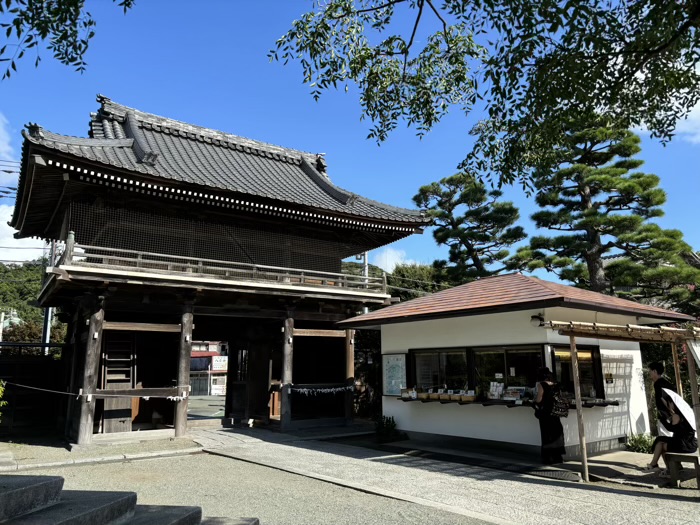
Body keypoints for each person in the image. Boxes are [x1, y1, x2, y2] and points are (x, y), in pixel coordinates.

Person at [643, 390, 698, 475]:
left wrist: (662, 419)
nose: (669, 405)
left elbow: (671, 429)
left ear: (673, 404)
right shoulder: (686, 415)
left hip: (683, 445)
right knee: (662, 442)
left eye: (669, 403)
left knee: (662, 445)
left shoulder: (676, 416)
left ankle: (660, 466)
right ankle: (668, 467)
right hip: (691, 444)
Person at [533, 367, 566, 464]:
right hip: (555, 413)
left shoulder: (541, 385)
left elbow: (539, 399)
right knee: (556, 433)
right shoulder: (556, 385)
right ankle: (558, 457)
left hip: (545, 413)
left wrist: (534, 401)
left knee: (547, 435)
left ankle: (548, 458)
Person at [648, 362, 676, 438]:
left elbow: (662, 398)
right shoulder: (666, 383)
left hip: (665, 415)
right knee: (669, 436)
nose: (649, 373)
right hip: (671, 415)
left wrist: (669, 411)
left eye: (650, 371)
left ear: (655, 371)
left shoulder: (658, 384)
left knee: (665, 438)